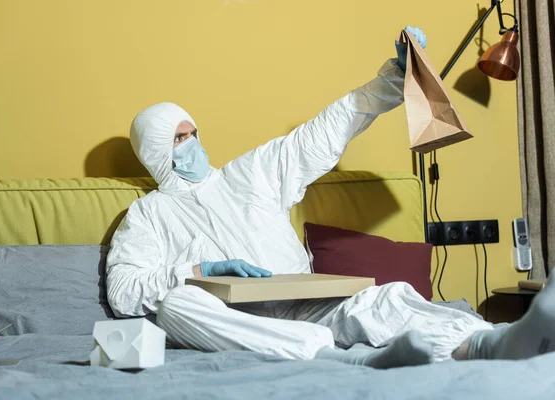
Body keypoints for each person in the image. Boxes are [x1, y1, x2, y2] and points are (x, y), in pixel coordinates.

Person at [106, 26, 555, 368]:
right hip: (240, 325)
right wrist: (198, 271)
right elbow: (124, 291)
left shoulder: (249, 174)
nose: (195, 142)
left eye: (194, 131)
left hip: (311, 305)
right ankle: (346, 361)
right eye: (181, 139)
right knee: (175, 307)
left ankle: (490, 343)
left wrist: (395, 77)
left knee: (387, 299)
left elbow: (321, 134)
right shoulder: (148, 216)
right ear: (157, 153)